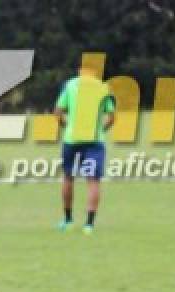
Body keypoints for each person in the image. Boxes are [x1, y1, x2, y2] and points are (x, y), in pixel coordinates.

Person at [55, 62, 116, 234]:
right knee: (93, 180)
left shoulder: (70, 85)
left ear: (80, 71)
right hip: (95, 141)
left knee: (68, 177)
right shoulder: (104, 87)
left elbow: (58, 112)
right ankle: (89, 225)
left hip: (72, 140)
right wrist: (102, 130)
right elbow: (112, 116)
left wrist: (65, 126)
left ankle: (68, 221)